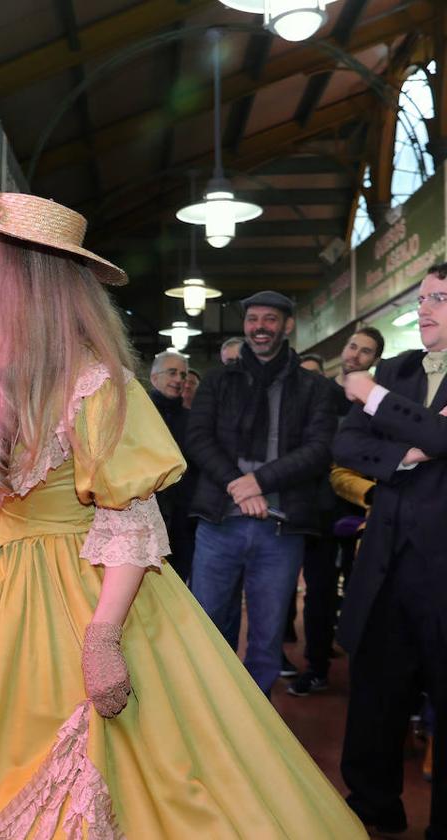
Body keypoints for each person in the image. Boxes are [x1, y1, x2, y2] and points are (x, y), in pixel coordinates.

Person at [0, 183, 364, 839]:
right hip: (0, 582)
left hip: (86, 585)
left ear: (19, 272)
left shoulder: (99, 382)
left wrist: (102, 635)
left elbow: (131, 520)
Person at [333, 264, 447, 837]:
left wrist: (375, 398)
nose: (425, 308)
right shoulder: (401, 367)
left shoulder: (380, 383)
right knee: (375, 692)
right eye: (423, 297)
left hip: (444, 570)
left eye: (440, 298)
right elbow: (346, 441)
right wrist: (412, 452)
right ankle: (373, 803)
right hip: (385, 561)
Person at [186, 291, 338, 696]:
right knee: (208, 626)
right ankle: (210, 712)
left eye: (269, 319)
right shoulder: (218, 380)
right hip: (219, 522)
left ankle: (258, 729)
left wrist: (261, 481)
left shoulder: (314, 388)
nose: (259, 328)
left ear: (287, 325)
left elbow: (320, 449)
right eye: (252, 319)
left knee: (268, 637)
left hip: (281, 529)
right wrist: (240, 485)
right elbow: (198, 439)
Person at [289, 327, 384, 698]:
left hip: (367, 508)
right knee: (319, 592)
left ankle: (369, 672)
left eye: (366, 351)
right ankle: (316, 666)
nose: (356, 354)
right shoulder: (320, 393)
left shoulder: (379, 401)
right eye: (352, 346)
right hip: (321, 510)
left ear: (374, 360)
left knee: (367, 594)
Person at [147, 350, 196, 583]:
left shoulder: (194, 419)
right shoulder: (137, 413)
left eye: (183, 374)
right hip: (146, 512)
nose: (179, 379)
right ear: (154, 377)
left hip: (182, 517)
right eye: (172, 372)